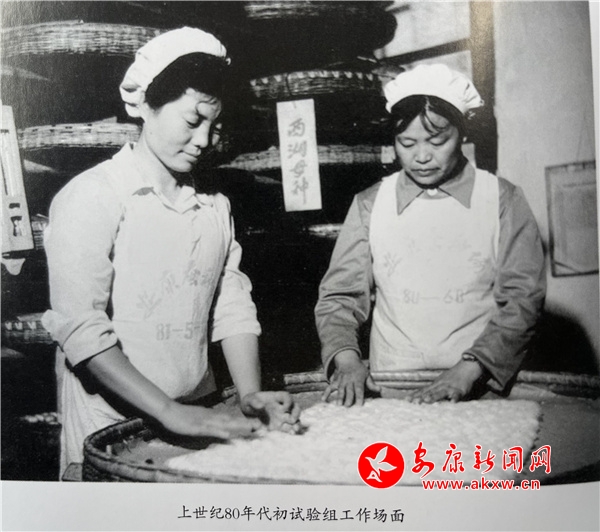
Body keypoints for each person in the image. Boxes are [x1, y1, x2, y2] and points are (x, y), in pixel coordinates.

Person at [42, 27, 301, 477]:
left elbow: (231, 304)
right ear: (146, 105)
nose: (204, 140)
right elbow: (83, 329)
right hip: (110, 422)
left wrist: (249, 395)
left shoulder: (214, 205)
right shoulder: (94, 195)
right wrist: (170, 412)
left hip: (198, 409)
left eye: (215, 127)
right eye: (192, 121)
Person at [315, 63, 546, 407]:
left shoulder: (501, 199)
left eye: (438, 141)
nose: (422, 157)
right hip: (390, 385)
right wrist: (347, 360)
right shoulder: (371, 203)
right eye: (406, 143)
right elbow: (339, 297)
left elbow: (522, 299)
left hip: (478, 385)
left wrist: (469, 370)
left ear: (462, 134)